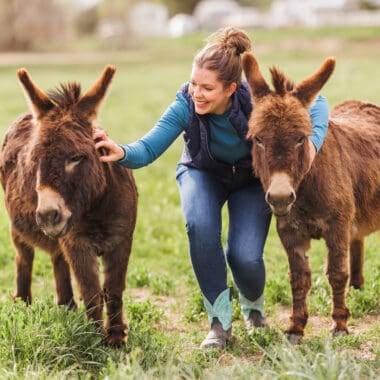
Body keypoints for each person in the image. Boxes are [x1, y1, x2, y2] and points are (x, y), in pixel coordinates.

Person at [93, 27, 330, 350]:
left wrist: (313, 146)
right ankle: (219, 322)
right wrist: (120, 151)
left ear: (232, 88)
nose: (197, 93)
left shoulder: (256, 102)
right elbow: (148, 149)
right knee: (199, 226)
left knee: (245, 256)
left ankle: (254, 308)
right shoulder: (185, 105)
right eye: (193, 84)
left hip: (248, 181)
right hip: (201, 173)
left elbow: (319, 104)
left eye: (207, 88)